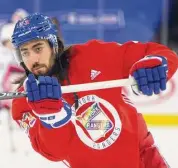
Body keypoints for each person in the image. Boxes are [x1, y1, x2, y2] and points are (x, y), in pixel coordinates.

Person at [11, 13, 178, 168]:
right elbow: (54, 153)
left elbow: (158, 52)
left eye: (38, 48)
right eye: (25, 52)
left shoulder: (94, 55)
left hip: (144, 160)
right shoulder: (23, 102)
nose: (32, 59)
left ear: (54, 45)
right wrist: (52, 118)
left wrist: (155, 63)